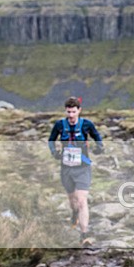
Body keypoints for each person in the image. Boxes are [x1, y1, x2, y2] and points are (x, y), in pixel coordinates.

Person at [48, 97, 104, 246]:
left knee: (81, 200)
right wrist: (54, 152)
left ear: (79, 110)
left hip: (82, 168)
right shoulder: (60, 125)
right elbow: (51, 140)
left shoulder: (86, 124)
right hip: (66, 168)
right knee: (72, 201)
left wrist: (100, 147)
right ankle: (74, 214)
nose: (71, 115)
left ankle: (84, 234)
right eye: (68, 112)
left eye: (73, 112)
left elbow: (97, 136)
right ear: (65, 111)